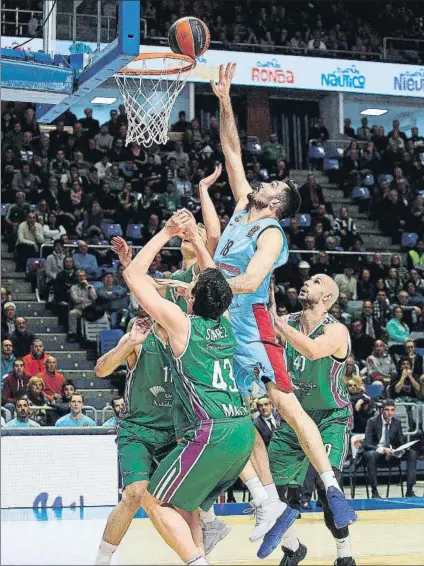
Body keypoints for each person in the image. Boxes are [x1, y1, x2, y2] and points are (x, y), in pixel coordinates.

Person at [210, 63, 356, 551]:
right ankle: (267, 503)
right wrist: (225, 100)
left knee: (288, 408)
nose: (263, 182)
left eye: (271, 185)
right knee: (236, 420)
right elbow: (231, 150)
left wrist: (208, 282)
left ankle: (332, 489)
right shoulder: (239, 209)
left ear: (276, 204)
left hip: (250, 325)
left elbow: (253, 280)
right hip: (219, 328)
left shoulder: (270, 232)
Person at [114, 214, 256, 566]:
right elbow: (217, 283)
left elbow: (133, 277)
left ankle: (198, 561)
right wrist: (194, 238)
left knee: (153, 499)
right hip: (242, 430)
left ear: (191, 298)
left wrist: (166, 232)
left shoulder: (182, 325)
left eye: (190, 288)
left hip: (211, 433)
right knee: (184, 504)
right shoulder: (224, 322)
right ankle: (213, 526)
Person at [268, 273, 356, 566]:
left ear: (327, 299)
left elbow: (314, 350)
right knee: (275, 492)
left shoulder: (337, 330)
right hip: (294, 415)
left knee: (326, 484)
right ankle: (293, 548)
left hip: (330, 416)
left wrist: (277, 323)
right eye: (308, 280)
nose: (307, 282)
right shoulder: (287, 321)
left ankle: (344, 553)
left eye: (317, 282)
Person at [363, 399, 417, 498]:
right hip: (376, 453)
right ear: (381, 410)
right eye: (387, 410)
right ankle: (374, 491)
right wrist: (382, 449)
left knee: (412, 453)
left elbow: (401, 442)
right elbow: (366, 444)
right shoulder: (372, 422)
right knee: (371, 454)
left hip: (392, 454)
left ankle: (410, 490)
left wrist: (400, 451)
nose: (390, 413)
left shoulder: (397, 423)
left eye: (392, 410)